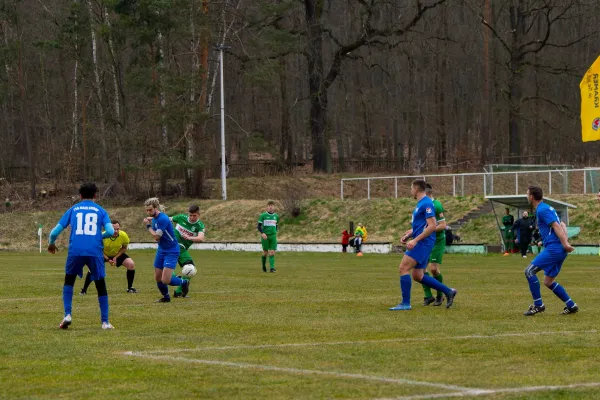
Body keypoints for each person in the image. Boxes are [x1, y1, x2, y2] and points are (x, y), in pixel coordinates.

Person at [48, 182, 115, 330]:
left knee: (69, 281)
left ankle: (67, 314)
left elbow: (53, 232)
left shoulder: (73, 210)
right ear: (95, 196)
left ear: (80, 196)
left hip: (76, 251)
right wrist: (99, 237)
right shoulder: (101, 211)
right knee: (100, 284)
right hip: (95, 252)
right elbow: (111, 232)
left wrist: (51, 243)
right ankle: (105, 322)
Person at [390, 180, 457, 311]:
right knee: (417, 276)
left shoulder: (426, 203)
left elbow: (432, 226)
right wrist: (410, 235)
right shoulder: (421, 203)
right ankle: (448, 291)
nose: (410, 191)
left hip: (423, 243)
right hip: (422, 241)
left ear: (416, 189)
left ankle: (405, 303)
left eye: (411, 188)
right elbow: (422, 226)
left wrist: (415, 240)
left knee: (403, 268)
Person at [523, 186, 578, 316]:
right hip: (557, 248)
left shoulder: (542, 210)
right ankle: (571, 305)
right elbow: (562, 224)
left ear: (531, 196)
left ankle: (538, 305)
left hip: (555, 248)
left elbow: (556, 225)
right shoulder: (547, 208)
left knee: (529, 271)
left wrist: (565, 244)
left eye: (527, 194)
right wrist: (564, 243)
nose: (526, 196)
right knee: (548, 282)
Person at [144, 197, 188, 302]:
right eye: (146, 210)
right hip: (161, 250)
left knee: (165, 280)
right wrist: (151, 220)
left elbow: (157, 237)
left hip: (171, 251)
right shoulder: (155, 217)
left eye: (150, 210)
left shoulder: (163, 219)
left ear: (156, 208)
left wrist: (148, 226)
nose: (148, 212)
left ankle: (184, 282)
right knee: (158, 278)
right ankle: (166, 297)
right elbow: (155, 221)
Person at [80, 220, 137, 295]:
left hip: (116, 254)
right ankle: (84, 290)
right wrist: (108, 259)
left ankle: (130, 288)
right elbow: (98, 250)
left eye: (117, 229)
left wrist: (116, 257)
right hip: (101, 254)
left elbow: (124, 248)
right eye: (114, 229)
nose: (116, 231)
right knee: (92, 268)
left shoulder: (123, 235)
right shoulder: (103, 236)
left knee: (131, 264)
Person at [420, 183, 447, 306]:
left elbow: (442, 225)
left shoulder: (436, 205)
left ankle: (440, 295)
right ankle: (428, 296)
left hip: (437, 241)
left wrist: (430, 229)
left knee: (433, 269)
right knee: (421, 269)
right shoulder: (422, 205)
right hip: (425, 241)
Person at [170, 205, 205, 298]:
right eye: (190, 215)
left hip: (182, 249)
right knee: (170, 267)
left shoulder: (199, 225)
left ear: (198, 215)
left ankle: (178, 291)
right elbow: (167, 220)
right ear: (188, 214)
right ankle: (177, 280)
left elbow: (200, 238)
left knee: (190, 268)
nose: (192, 218)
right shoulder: (181, 217)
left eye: (194, 216)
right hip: (172, 246)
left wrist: (190, 237)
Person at [258, 200, 279, 272]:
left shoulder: (276, 216)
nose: (270, 207)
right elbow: (259, 226)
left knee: (272, 252)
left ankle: (272, 268)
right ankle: (263, 266)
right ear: (267, 207)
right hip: (265, 236)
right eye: (269, 206)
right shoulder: (263, 215)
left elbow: (276, 225)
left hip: (273, 236)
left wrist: (275, 232)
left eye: (272, 206)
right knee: (265, 252)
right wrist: (262, 233)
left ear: (274, 207)